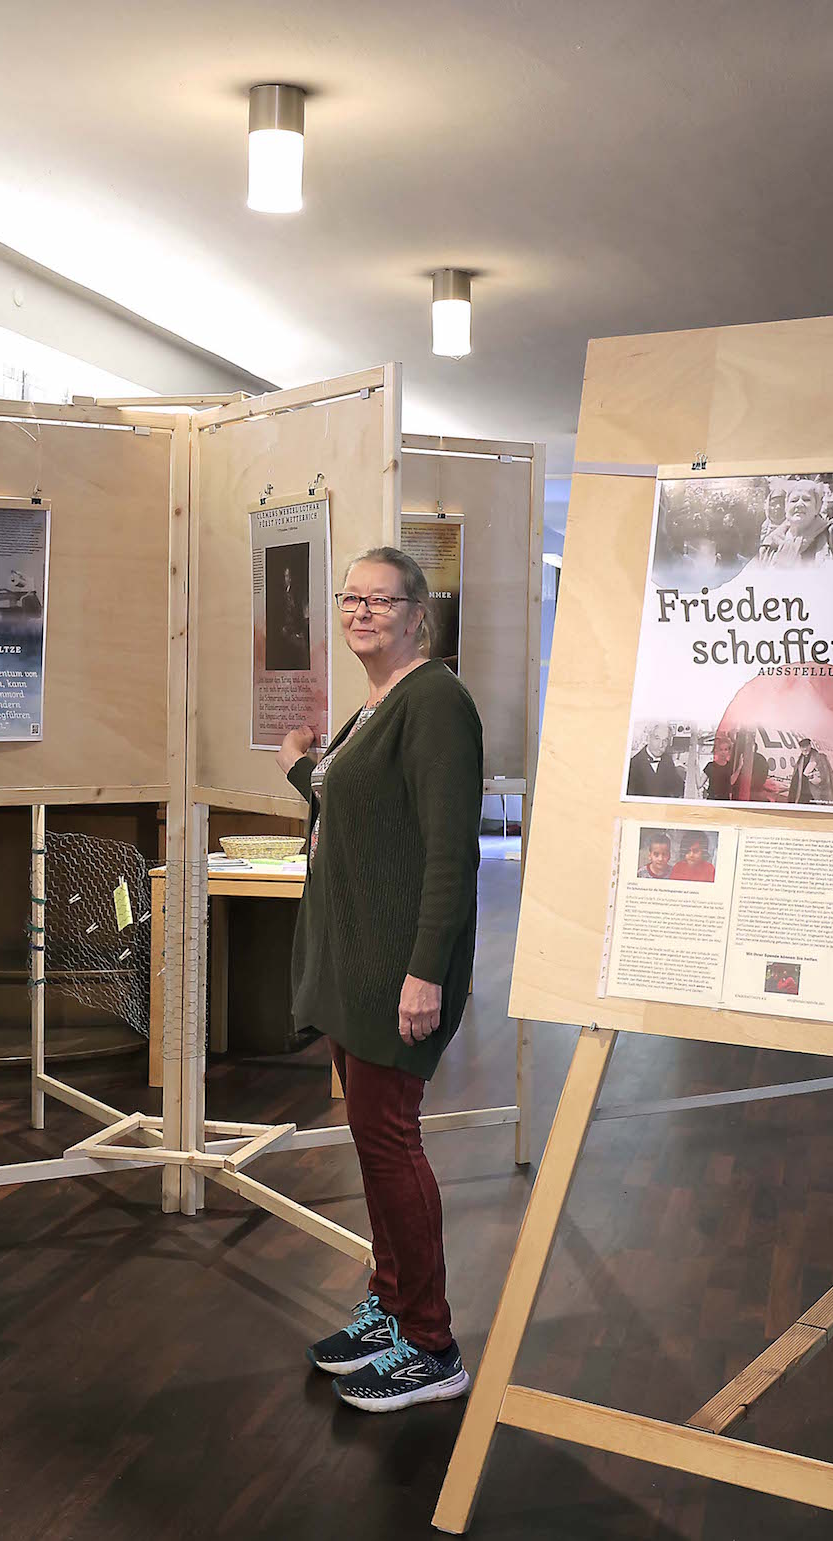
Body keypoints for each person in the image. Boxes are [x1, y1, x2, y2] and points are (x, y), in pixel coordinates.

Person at [276, 545, 482, 1412]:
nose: (361, 612)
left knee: (390, 1140)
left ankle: (431, 1340)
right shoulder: (376, 704)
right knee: (372, 1140)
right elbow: (360, 811)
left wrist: (425, 974)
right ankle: (391, 1305)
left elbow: (448, 852)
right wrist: (302, 769)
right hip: (354, 961)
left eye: (380, 599)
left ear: (416, 612)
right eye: (350, 598)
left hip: (397, 970)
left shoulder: (436, 702)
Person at [626, 723, 686, 798]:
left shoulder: (667, 759)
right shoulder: (632, 765)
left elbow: (678, 786)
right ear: (648, 738)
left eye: (665, 740)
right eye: (657, 738)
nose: (661, 745)